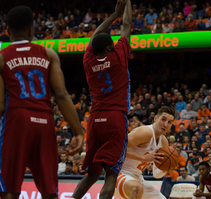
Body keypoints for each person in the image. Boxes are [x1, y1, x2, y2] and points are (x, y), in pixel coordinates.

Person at [0, 6, 83, 199]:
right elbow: (61, 95)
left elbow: (1, 106)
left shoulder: (3, 58)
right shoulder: (49, 54)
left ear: (7, 30)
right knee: (50, 192)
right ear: (32, 29)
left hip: (16, 121)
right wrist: (78, 131)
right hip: (44, 122)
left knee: (9, 191)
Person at [71, 1, 132, 199]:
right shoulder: (118, 56)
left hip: (94, 119)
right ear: (108, 47)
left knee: (92, 174)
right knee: (111, 174)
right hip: (115, 117)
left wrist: (114, 14)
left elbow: (96, 33)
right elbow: (128, 25)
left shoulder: (87, 60)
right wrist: (127, 3)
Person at [114, 106, 175, 199]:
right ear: (155, 118)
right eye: (163, 119)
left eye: (169, 122)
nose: (165, 124)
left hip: (137, 178)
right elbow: (116, 148)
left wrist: (166, 168)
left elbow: (156, 174)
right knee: (137, 188)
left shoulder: (163, 142)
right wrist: (144, 158)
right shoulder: (146, 132)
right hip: (118, 173)